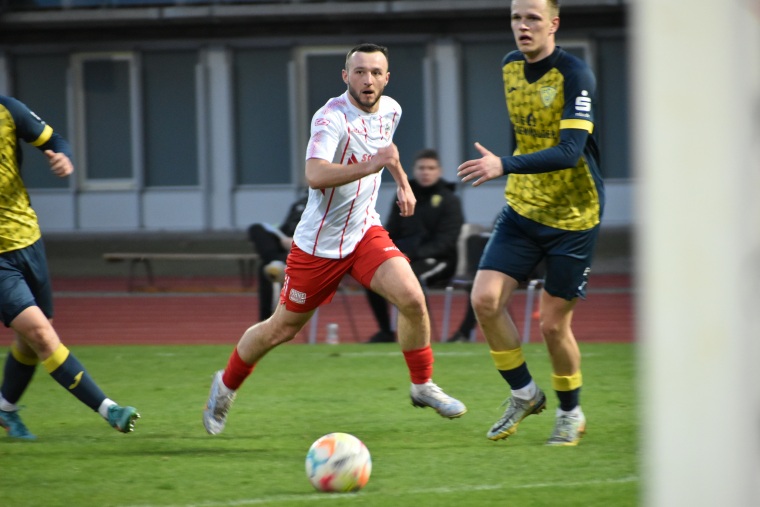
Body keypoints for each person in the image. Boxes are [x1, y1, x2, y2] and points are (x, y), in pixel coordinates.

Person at [203, 43, 467, 435]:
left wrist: (403, 184)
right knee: (281, 329)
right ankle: (225, 385)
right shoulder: (330, 118)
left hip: (363, 232)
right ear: (346, 76)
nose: (368, 79)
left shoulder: (391, 109)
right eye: (359, 71)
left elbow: (387, 151)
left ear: (387, 78)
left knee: (413, 298)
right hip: (318, 246)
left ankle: (422, 385)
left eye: (376, 72)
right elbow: (315, 173)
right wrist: (372, 165)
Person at [456, 0, 604, 446]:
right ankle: (524, 393)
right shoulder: (509, 67)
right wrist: (507, 166)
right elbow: (524, 132)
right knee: (484, 299)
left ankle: (570, 412)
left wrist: (503, 164)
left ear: (553, 24)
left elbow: (570, 150)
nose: (523, 26)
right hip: (522, 210)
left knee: (553, 326)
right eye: (517, 18)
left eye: (533, 18)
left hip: (573, 217)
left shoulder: (575, 75)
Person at [0, 95, 139, 439]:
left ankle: (4, 408)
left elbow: (56, 141)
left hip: (29, 241)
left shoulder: (8, 111)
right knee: (41, 335)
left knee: (31, 337)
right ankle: (110, 410)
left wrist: (64, 158)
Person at [365, 148, 464, 343]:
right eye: (422, 168)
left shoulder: (450, 200)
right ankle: (386, 331)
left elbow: (447, 240)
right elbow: (391, 231)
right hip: (406, 257)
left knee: (411, 278)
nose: (426, 172)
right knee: (371, 274)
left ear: (439, 171)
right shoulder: (403, 195)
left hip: (440, 260)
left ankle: (421, 336)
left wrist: (412, 254)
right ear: (414, 170)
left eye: (431, 168)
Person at [247, 193, 307, 321]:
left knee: (266, 269)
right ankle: (276, 262)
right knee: (256, 228)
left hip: (308, 250)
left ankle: (264, 322)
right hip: (284, 245)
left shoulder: (333, 204)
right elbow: (285, 227)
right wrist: (283, 237)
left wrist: (297, 243)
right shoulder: (300, 202)